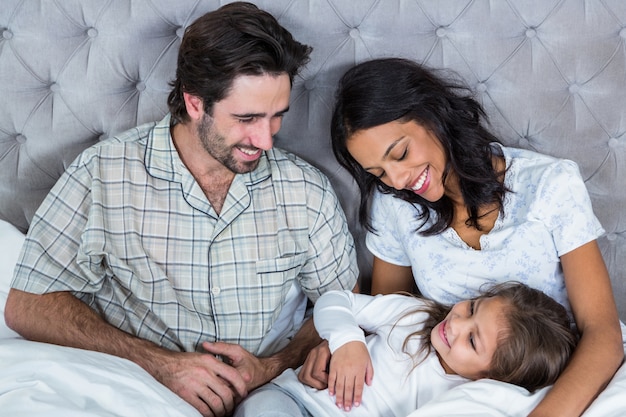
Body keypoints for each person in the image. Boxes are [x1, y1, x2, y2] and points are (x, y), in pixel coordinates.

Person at [4, 3, 358, 417]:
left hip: (267, 397)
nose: (265, 140)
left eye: (276, 116)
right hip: (135, 392)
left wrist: (271, 366)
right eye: (246, 118)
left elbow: (343, 303)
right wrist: (159, 365)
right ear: (194, 103)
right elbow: (28, 304)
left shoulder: (305, 189)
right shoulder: (105, 171)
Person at [297, 57, 624, 417]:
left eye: (401, 153)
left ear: (432, 115)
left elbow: (602, 333)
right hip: (457, 395)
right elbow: (385, 309)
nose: (398, 179)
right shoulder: (394, 204)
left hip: (563, 383)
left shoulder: (549, 185)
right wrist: (344, 341)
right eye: (378, 172)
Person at [235, 282, 577, 417]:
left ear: (491, 375)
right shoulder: (414, 317)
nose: (456, 324)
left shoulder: (465, 400)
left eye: (472, 341)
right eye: (472, 307)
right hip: (296, 401)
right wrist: (347, 341)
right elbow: (335, 300)